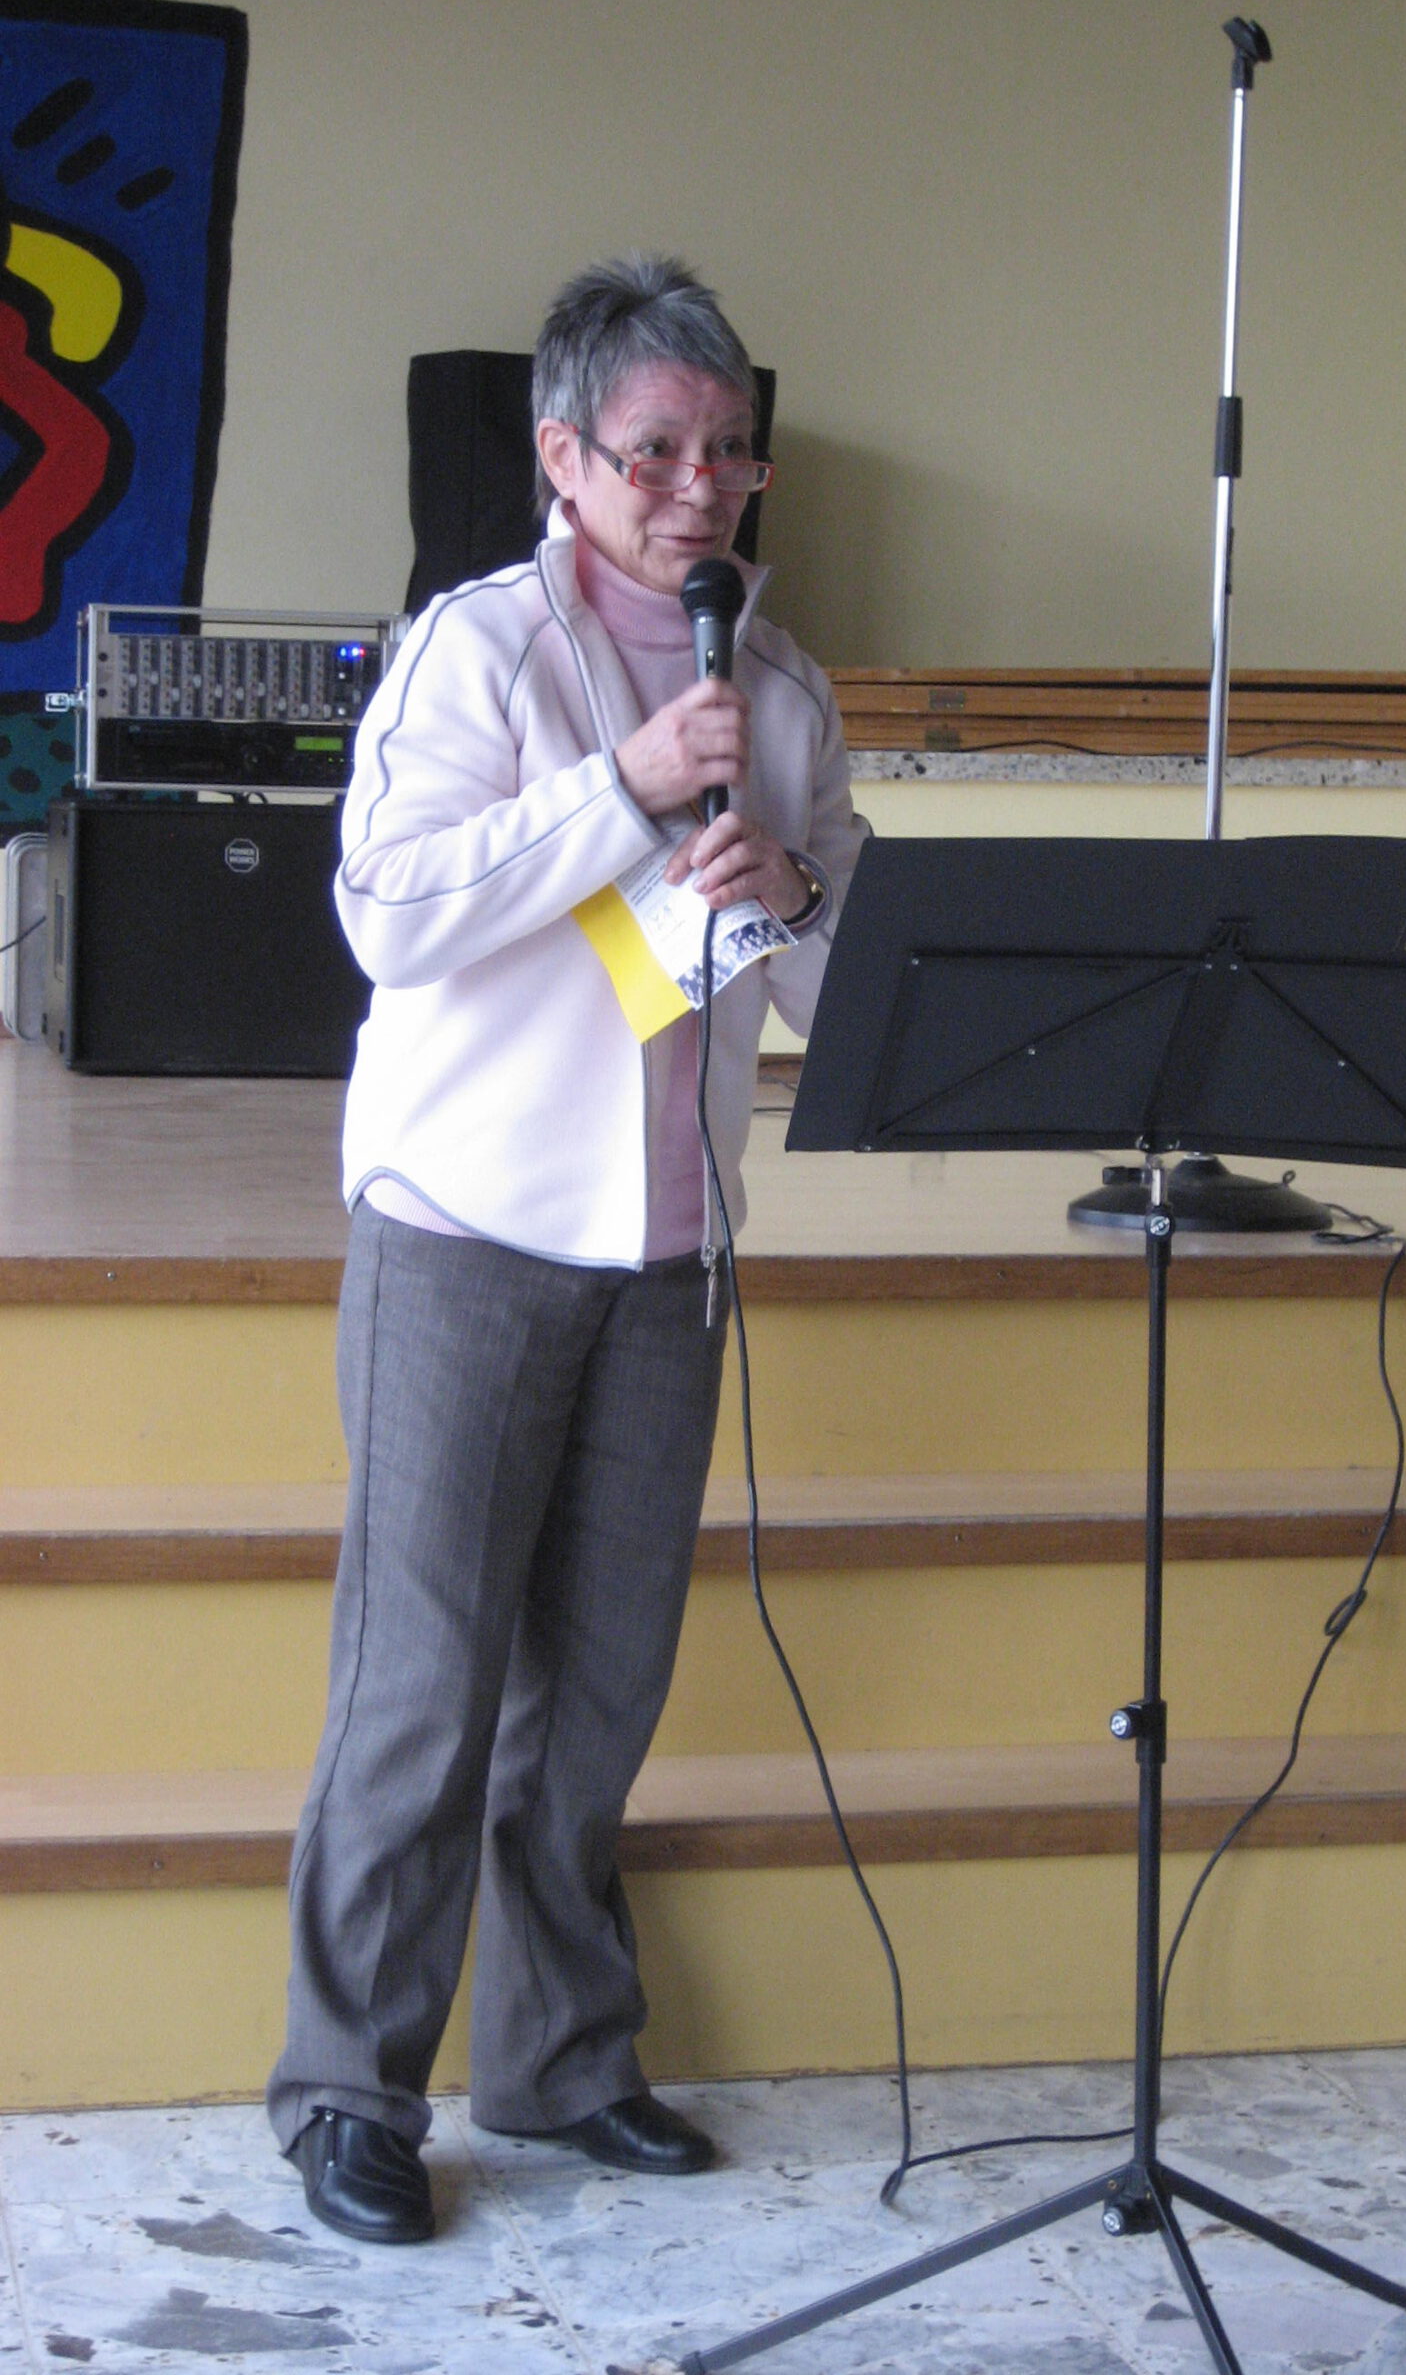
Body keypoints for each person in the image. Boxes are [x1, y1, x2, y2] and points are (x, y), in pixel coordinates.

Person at [267, 254, 868, 2243]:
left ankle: (560, 2062)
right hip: (468, 1234)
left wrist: (791, 887)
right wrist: (622, 789)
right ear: (563, 455)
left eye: (729, 449)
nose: (700, 488)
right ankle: (351, 2088)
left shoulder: (784, 692)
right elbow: (390, 911)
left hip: (671, 1256)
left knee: (597, 1695)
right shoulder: (479, 651)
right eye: (656, 450)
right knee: (423, 1687)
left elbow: (847, 977)